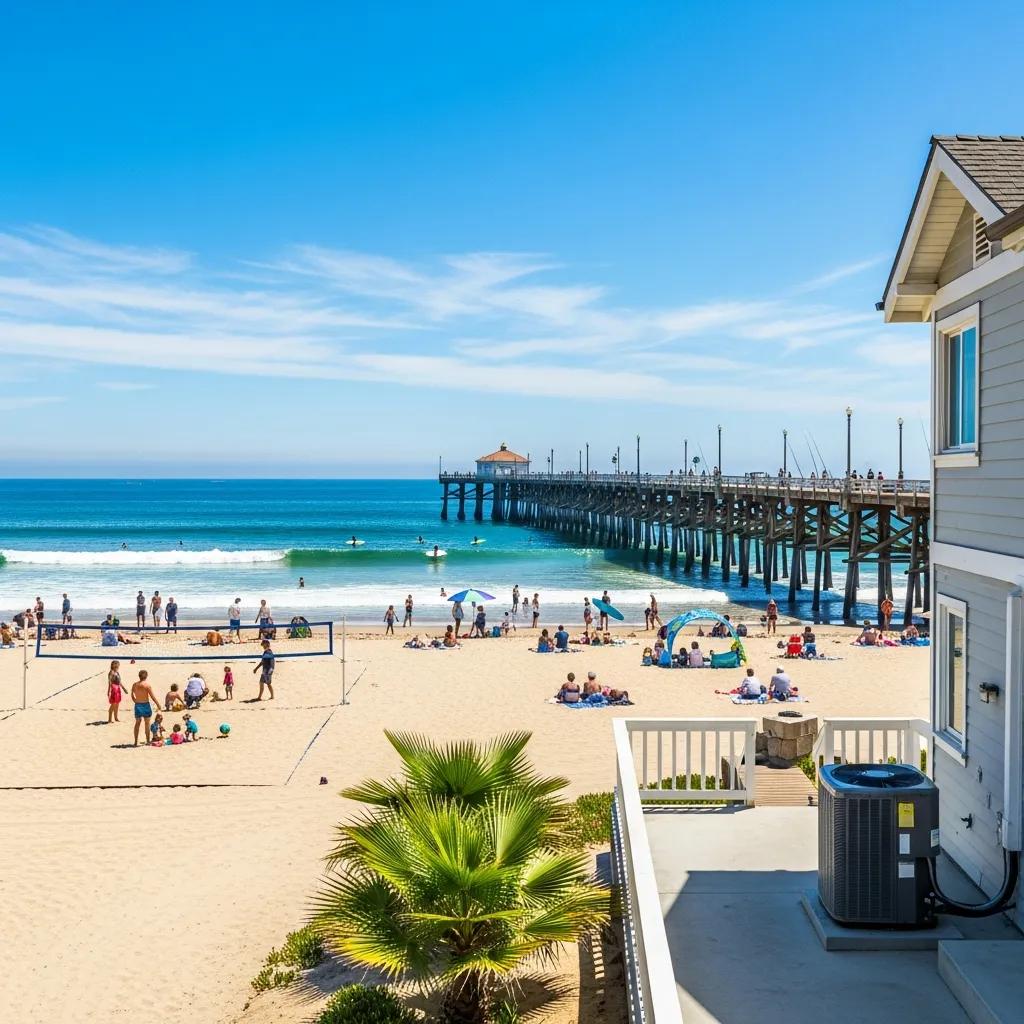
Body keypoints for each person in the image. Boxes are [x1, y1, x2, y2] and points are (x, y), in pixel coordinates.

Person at [131, 670, 159, 747]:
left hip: (138, 705)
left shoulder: (135, 685)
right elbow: (152, 697)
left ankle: (136, 742)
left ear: (139, 676)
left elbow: (132, 694)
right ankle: (147, 741)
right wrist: (158, 704)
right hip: (146, 705)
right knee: (147, 724)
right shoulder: (147, 685)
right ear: (146, 676)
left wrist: (135, 701)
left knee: (137, 723)